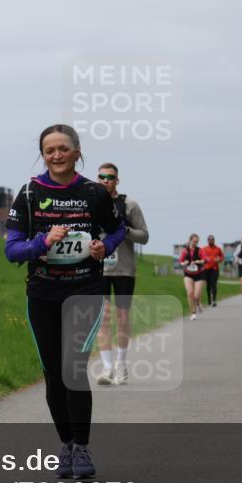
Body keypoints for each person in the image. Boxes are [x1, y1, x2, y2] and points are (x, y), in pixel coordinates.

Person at [4, 124, 126, 479]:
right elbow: (12, 250)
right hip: (42, 292)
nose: (56, 155)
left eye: (63, 148)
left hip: (84, 288)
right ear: (43, 155)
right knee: (53, 375)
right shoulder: (29, 194)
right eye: (49, 150)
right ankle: (67, 443)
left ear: (77, 151)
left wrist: (106, 246)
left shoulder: (94, 193)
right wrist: (42, 243)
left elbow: (116, 229)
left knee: (73, 369)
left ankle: (83, 447)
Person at [95, 163, 149, 386]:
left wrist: (125, 230)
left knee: (122, 317)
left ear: (118, 180)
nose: (106, 180)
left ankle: (121, 365)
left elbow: (144, 236)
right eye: (102, 176)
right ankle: (107, 368)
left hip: (124, 269)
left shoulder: (130, 205)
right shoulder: (91, 205)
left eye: (111, 177)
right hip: (99, 268)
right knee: (103, 317)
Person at [179, 234, 206, 320]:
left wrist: (199, 261)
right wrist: (185, 263)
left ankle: (198, 303)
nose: (196, 243)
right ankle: (193, 313)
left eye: (197, 241)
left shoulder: (200, 250)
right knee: (190, 293)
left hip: (199, 273)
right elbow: (181, 262)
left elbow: (204, 260)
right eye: (194, 241)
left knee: (196, 295)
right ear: (190, 240)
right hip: (188, 274)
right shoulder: (185, 251)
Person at [200, 235, 224, 307]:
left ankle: (214, 300)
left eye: (212, 240)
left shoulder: (218, 249)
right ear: (208, 241)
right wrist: (202, 261)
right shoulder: (204, 249)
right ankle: (209, 299)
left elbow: (222, 256)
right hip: (206, 269)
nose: (211, 241)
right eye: (209, 240)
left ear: (214, 240)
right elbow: (200, 256)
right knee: (208, 286)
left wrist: (219, 259)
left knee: (214, 284)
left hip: (214, 269)